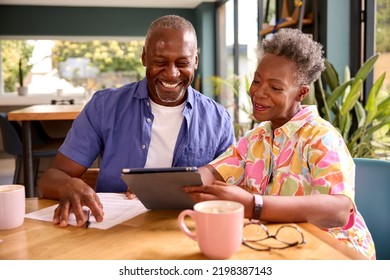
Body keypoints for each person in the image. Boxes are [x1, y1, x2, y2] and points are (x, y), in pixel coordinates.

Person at [185, 28, 376, 259]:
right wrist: (162, 185)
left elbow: (339, 210)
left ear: (301, 93)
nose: (259, 93)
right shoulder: (255, 138)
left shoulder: (321, 136)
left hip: (336, 252)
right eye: (256, 81)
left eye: (275, 88)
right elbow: (210, 173)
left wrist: (255, 205)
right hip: (282, 243)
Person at [38, 15, 235, 228]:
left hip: (184, 229)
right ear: (144, 57)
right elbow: (51, 177)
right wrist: (68, 185)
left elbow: (230, 189)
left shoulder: (218, 119)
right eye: (160, 62)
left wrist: (167, 190)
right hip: (113, 229)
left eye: (182, 62)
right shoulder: (104, 106)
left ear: (195, 60)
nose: (171, 73)